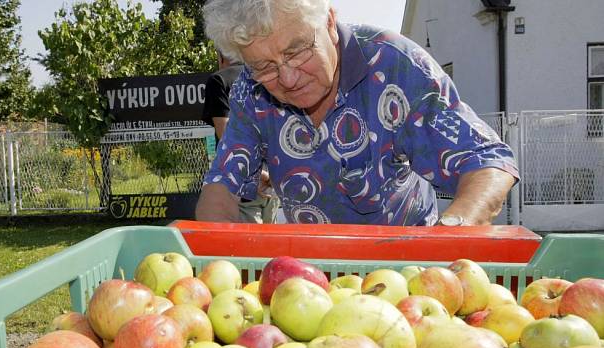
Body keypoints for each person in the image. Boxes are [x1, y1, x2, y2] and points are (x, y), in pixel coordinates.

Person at [196, 0, 519, 226]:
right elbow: (223, 185)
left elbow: (485, 161)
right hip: (309, 279)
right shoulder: (250, 89)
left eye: (296, 51)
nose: (288, 78)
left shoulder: (393, 62)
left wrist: (451, 235)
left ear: (330, 23)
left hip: (406, 267)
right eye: (264, 66)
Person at [201, 50, 280, 223]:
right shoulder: (266, 76)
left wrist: (258, 176)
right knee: (271, 246)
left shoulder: (218, 80)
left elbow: (226, 138)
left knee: (245, 249)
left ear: (220, 57)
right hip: (272, 184)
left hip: (242, 187)